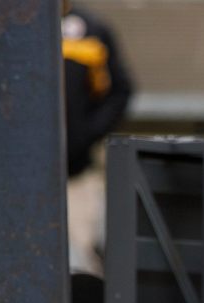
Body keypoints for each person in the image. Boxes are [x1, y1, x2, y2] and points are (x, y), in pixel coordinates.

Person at [62, 2, 134, 275]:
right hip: (9, 176)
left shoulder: (91, 29)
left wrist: (85, 135)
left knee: (86, 266)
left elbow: (120, 91)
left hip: (75, 174)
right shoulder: (0, 25)